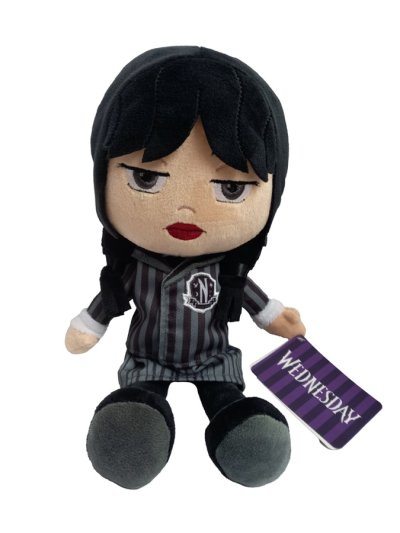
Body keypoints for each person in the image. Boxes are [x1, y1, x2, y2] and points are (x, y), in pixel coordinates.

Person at [65, 46, 306, 489]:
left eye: (230, 187)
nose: (185, 208)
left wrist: (277, 318)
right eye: (146, 177)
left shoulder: (228, 272)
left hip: (212, 359)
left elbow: (255, 301)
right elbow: (109, 300)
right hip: (147, 359)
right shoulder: (135, 266)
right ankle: (137, 428)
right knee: (134, 420)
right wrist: (89, 325)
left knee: (230, 406)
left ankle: (238, 427)